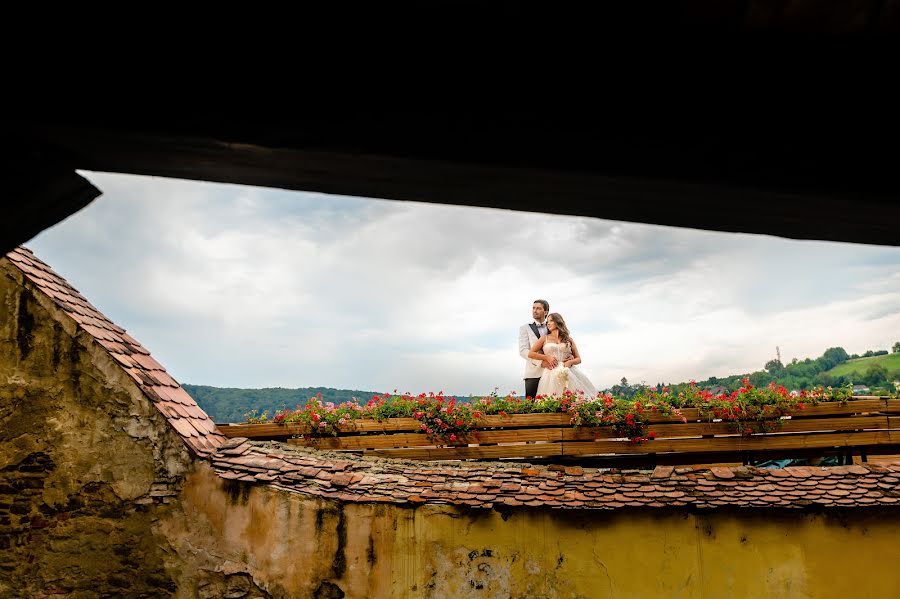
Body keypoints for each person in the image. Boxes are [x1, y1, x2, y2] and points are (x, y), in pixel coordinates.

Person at [528, 312, 597, 398]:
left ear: (558, 322)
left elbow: (578, 359)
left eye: (551, 321)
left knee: (574, 398)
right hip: (551, 372)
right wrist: (546, 357)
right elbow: (531, 353)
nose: (548, 323)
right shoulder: (544, 338)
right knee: (552, 399)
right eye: (547, 322)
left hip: (569, 370)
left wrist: (571, 362)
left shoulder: (568, 339)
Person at [518, 299, 553, 399]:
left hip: (552, 372)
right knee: (531, 407)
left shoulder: (553, 327)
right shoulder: (524, 328)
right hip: (533, 373)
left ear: (546, 312)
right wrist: (541, 362)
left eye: (538, 308)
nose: (534, 310)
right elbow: (523, 351)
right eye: (533, 308)